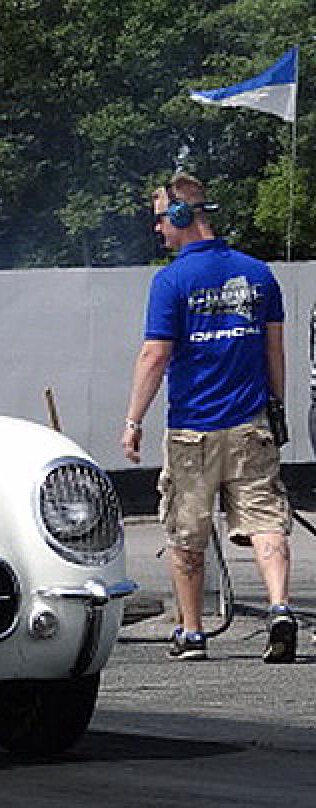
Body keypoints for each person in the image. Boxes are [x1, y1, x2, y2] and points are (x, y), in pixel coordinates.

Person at [121, 172, 297, 663]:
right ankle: (280, 609)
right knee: (266, 521)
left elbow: (155, 355)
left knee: (186, 533)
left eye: (161, 218)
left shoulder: (170, 281)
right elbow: (275, 350)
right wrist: (275, 408)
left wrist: (133, 421)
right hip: (250, 425)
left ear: (181, 215)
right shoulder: (259, 274)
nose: (157, 229)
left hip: (192, 430)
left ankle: (193, 633)